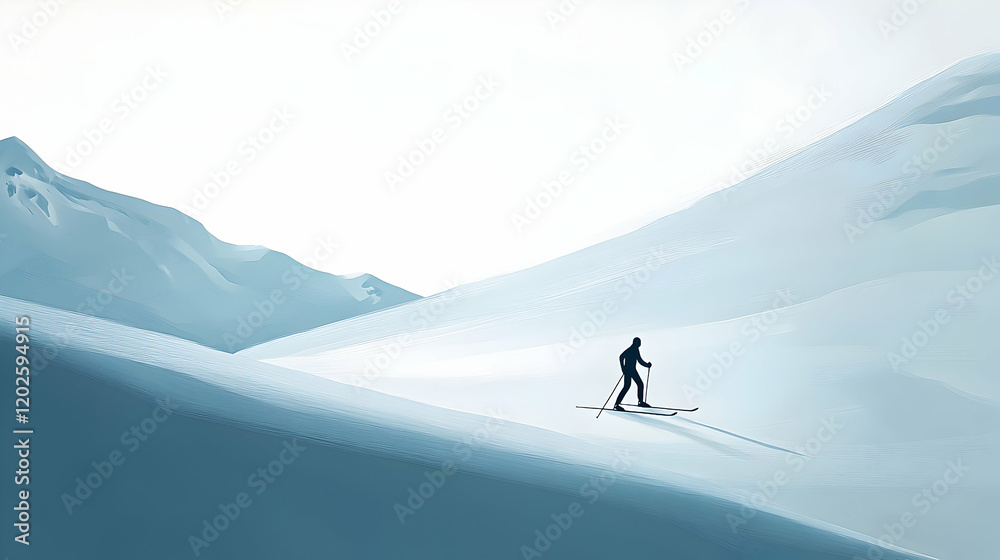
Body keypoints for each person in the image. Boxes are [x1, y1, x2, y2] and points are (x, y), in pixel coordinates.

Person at [614, 337, 652, 411]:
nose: (640, 344)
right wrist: (623, 368)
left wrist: (647, 365)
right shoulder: (631, 349)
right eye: (639, 342)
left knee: (636, 385)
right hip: (629, 370)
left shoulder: (635, 349)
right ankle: (617, 404)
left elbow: (639, 360)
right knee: (629, 386)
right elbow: (621, 356)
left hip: (632, 370)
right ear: (636, 343)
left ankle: (640, 402)